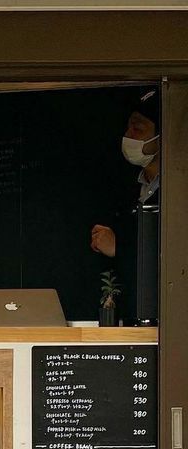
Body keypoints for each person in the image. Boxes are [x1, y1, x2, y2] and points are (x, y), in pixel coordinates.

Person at [90, 90, 160, 323]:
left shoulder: (178, 194)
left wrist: (121, 248)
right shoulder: (128, 188)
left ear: (162, 136)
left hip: (170, 326)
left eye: (138, 130)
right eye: (128, 129)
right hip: (132, 321)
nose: (129, 136)